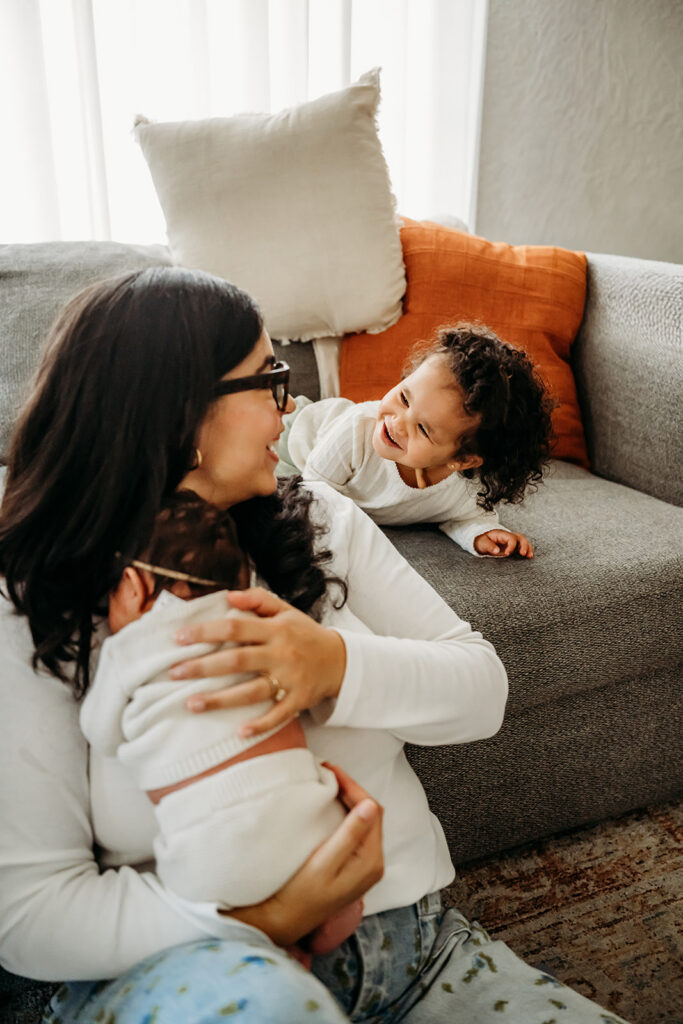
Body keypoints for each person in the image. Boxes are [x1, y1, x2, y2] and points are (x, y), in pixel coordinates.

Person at [0, 266, 628, 1024]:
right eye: (267, 379)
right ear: (178, 415)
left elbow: (480, 691)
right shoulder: (27, 598)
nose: (285, 405)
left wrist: (332, 663)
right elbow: (30, 918)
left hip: (417, 955)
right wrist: (261, 921)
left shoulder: (319, 515)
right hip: (204, 975)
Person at [81, 488, 362, 959]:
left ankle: (280, 948)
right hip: (315, 826)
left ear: (131, 585)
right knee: (341, 900)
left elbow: (100, 731)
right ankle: (322, 934)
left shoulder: (125, 649)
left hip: (209, 858)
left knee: (199, 905)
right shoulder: (258, 623)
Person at [278, 323, 554, 558]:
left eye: (422, 428)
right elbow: (313, 497)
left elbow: (465, 517)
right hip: (294, 445)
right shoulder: (357, 430)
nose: (396, 422)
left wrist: (483, 534)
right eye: (404, 398)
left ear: (462, 460)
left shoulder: (463, 488)